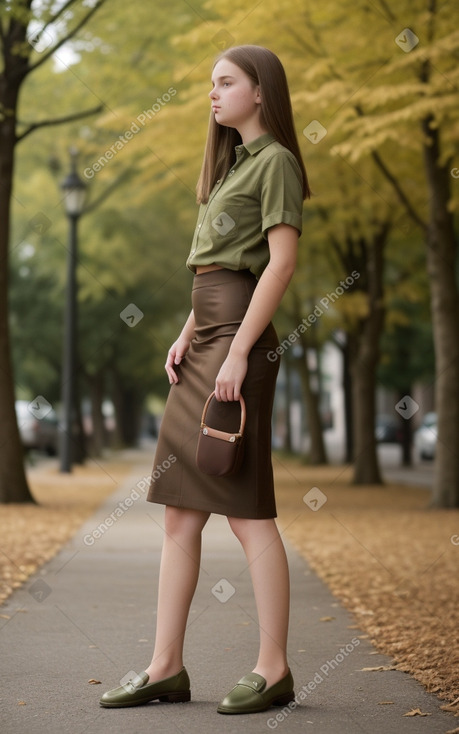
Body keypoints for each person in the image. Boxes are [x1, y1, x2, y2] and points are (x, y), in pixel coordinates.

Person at [100, 44, 310, 715]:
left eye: (225, 83)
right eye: (210, 84)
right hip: (207, 341)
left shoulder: (274, 160)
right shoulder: (231, 168)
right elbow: (214, 271)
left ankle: (272, 666)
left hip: (236, 346)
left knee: (246, 514)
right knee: (179, 516)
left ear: (259, 91)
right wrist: (187, 334)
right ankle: (165, 666)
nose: (212, 95)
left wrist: (238, 352)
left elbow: (277, 266)